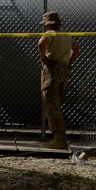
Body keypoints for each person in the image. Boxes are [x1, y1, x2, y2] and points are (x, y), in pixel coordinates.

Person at [37, 11, 81, 149]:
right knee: (57, 103)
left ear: (48, 24)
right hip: (64, 69)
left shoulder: (49, 34)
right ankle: (60, 137)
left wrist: (44, 58)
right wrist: (68, 61)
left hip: (52, 69)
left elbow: (41, 43)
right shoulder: (66, 35)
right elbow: (76, 48)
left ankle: (59, 139)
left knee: (50, 103)